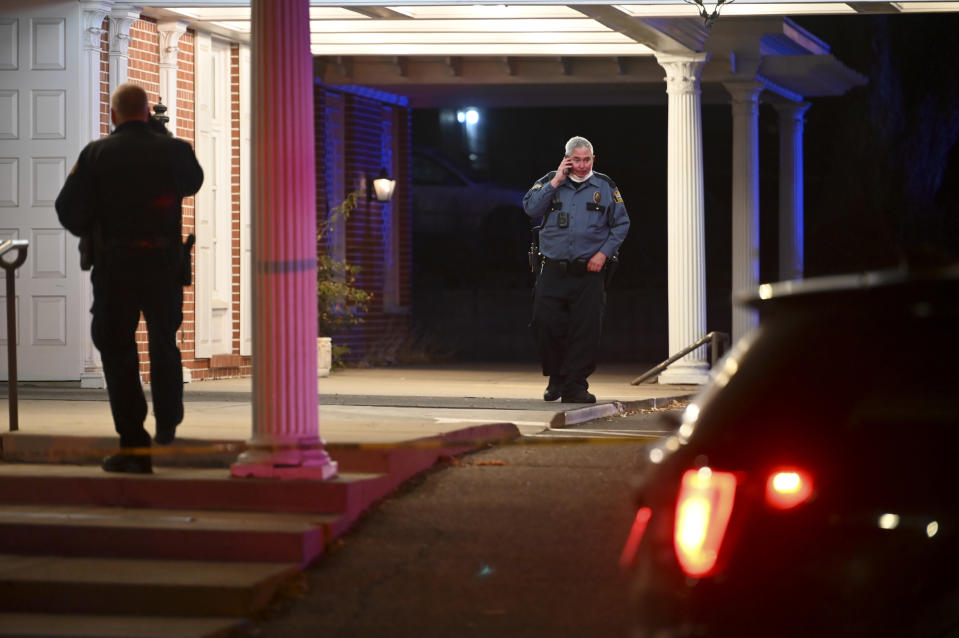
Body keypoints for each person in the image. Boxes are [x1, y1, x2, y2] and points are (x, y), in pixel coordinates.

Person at [56, 82, 203, 474]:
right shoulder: (174, 150)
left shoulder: (96, 154)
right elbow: (193, 182)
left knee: (117, 351)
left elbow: (67, 209)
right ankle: (169, 418)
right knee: (163, 341)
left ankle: (134, 445)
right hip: (162, 264)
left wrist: (97, 230)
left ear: (113, 115)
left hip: (115, 264)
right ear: (147, 115)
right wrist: (164, 135)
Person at [523, 136, 630, 404]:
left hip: (589, 271)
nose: (582, 165)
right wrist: (556, 181)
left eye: (587, 160)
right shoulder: (550, 180)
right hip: (552, 268)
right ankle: (556, 377)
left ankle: (575, 386)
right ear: (567, 159)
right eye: (577, 160)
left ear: (593, 158)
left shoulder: (605, 186)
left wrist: (603, 254)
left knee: (586, 329)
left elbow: (621, 224)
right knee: (545, 323)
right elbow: (531, 208)